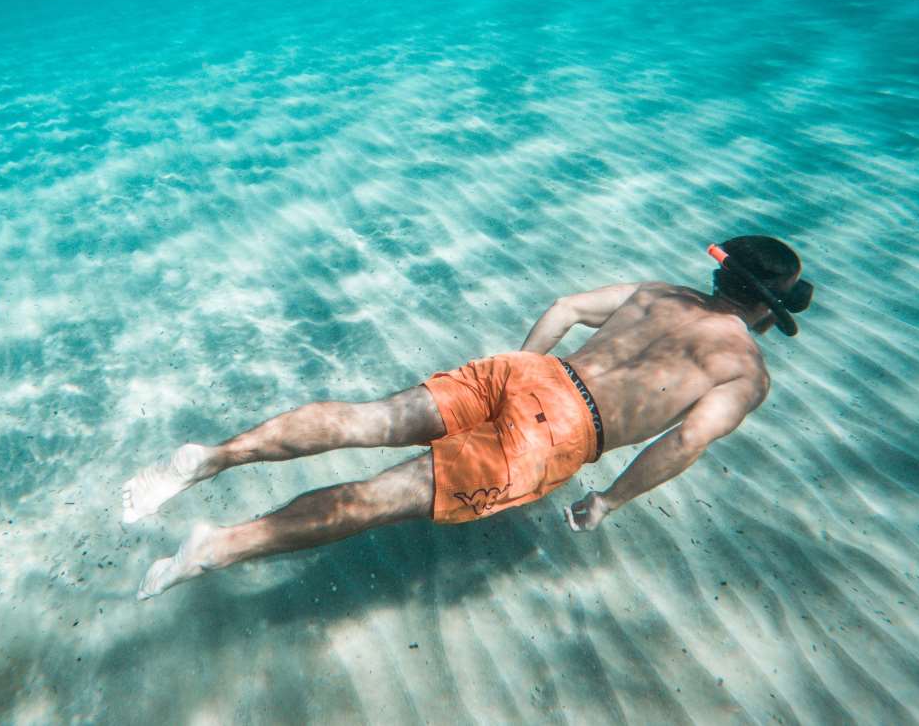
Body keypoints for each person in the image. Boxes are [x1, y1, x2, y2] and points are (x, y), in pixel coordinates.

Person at [122, 235, 813, 600]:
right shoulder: (744, 371)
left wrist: (522, 368)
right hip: (564, 432)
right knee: (377, 499)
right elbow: (686, 440)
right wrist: (607, 500)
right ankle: (218, 546)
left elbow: (567, 307)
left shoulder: (661, 291)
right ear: (766, 310)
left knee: (368, 420)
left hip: (530, 371)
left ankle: (208, 458)